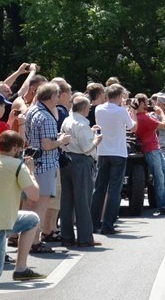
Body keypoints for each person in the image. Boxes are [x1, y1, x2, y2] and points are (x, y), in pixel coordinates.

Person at [0, 131, 46, 283]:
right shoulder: (18, 166)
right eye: (21, 149)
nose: (21, 152)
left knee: (32, 219)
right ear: (15, 148)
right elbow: (34, 195)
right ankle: (20, 269)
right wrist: (31, 171)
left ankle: (21, 269)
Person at [23, 82, 71, 253]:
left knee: (30, 205)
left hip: (32, 162)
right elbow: (47, 144)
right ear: (52, 97)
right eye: (57, 95)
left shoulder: (33, 111)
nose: (59, 98)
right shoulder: (47, 116)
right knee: (40, 206)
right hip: (46, 164)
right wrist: (62, 141)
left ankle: (28, 241)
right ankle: (34, 242)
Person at [91, 84, 136, 235]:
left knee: (99, 188)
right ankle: (108, 224)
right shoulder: (122, 111)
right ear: (118, 96)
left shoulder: (99, 109)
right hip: (118, 152)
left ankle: (94, 222)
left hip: (103, 151)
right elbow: (133, 127)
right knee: (114, 190)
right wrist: (133, 114)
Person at [59, 95, 102, 247]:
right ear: (84, 108)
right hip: (81, 161)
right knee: (83, 200)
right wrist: (96, 140)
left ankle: (67, 236)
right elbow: (86, 147)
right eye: (89, 107)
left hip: (66, 159)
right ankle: (85, 237)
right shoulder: (82, 124)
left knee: (67, 200)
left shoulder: (67, 120)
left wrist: (89, 132)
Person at [133, 94, 165, 215]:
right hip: (151, 149)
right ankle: (163, 205)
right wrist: (161, 113)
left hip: (154, 148)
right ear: (142, 104)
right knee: (160, 177)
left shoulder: (140, 117)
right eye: (147, 102)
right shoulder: (144, 118)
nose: (149, 104)